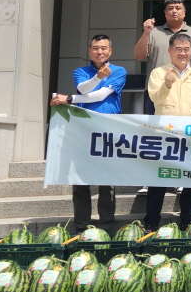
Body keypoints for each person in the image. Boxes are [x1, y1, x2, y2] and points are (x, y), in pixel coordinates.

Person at [50, 34, 127, 234]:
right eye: (95, 48)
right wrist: (98, 77)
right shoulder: (80, 71)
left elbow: (101, 95)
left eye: (103, 48)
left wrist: (69, 99)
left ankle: (106, 226)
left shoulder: (119, 71)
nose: (99, 52)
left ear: (110, 51)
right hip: (82, 130)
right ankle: (81, 226)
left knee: (107, 180)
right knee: (80, 179)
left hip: (108, 130)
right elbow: (83, 89)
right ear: (89, 51)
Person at [144, 33, 191, 231]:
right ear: (170, 51)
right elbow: (155, 99)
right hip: (165, 136)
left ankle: (187, 223)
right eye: (178, 49)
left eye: (186, 49)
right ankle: (151, 224)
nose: (183, 53)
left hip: (190, 136)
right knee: (158, 180)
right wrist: (167, 84)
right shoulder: (158, 73)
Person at [135, 0, 191, 114]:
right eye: (170, 8)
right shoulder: (153, 33)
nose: (174, 11)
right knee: (156, 125)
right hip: (158, 89)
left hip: (189, 90)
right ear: (165, 13)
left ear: (184, 12)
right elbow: (139, 56)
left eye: (178, 8)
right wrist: (146, 33)